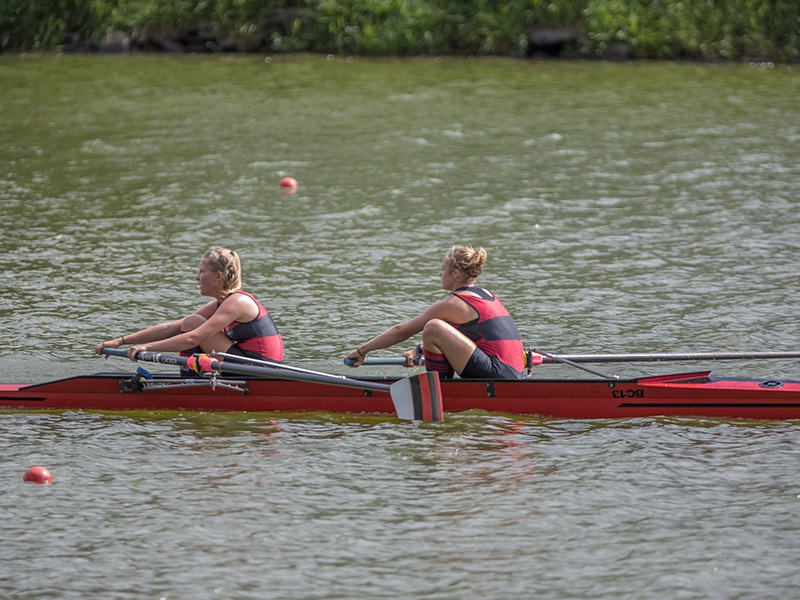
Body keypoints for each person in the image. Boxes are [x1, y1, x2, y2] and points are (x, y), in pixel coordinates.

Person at [345, 245, 524, 379]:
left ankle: (440, 389)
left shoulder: (453, 303)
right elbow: (467, 339)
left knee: (433, 327)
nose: (440, 273)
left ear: (455, 273)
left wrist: (362, 351)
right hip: (513, 373)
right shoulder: (487, 294)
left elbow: (401, 331)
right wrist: (419, 350)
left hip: (497, 374)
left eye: (443, 269)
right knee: (439, 327)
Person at [95, 247, 283, 374]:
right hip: (248, 365)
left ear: (218, 276)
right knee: (190, 322)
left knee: (193, 324)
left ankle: (190, 381)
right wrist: (120, 341)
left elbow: (193, 337)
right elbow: (170, 329)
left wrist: (147, 347)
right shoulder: (223, 302)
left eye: (201, 272)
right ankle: (191, 380)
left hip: (260, 370)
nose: (196, 277)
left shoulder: (238, 302)